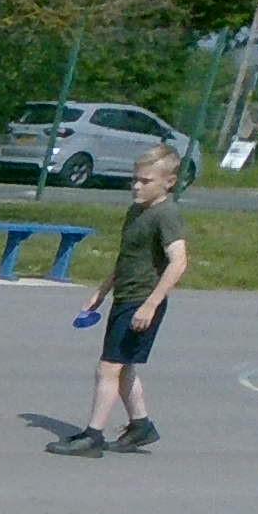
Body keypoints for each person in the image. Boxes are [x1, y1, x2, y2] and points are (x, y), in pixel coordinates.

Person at [48, 148, 189, 458]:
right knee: (123, 367)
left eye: (145, 181)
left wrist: (150, 305)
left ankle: (93, 436)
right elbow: (128, 258)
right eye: (134, 179)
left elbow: (178, 262)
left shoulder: (167, 214)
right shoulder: (137, 211)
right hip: (125, 296)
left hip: (141, 300)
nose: (136, 186)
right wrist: (101, 292)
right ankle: (141, 426)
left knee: (108, 368)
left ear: (169, 182)